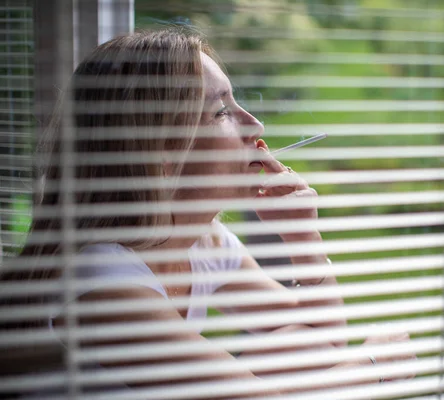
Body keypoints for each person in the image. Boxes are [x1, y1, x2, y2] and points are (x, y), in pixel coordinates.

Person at [1, 29, 415, 398]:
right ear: (159, 151)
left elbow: (323, 341)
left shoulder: (206, 241)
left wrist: (303, 237)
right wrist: (374, 367)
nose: (256, 127)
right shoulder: (99, 281)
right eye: (221, 111)